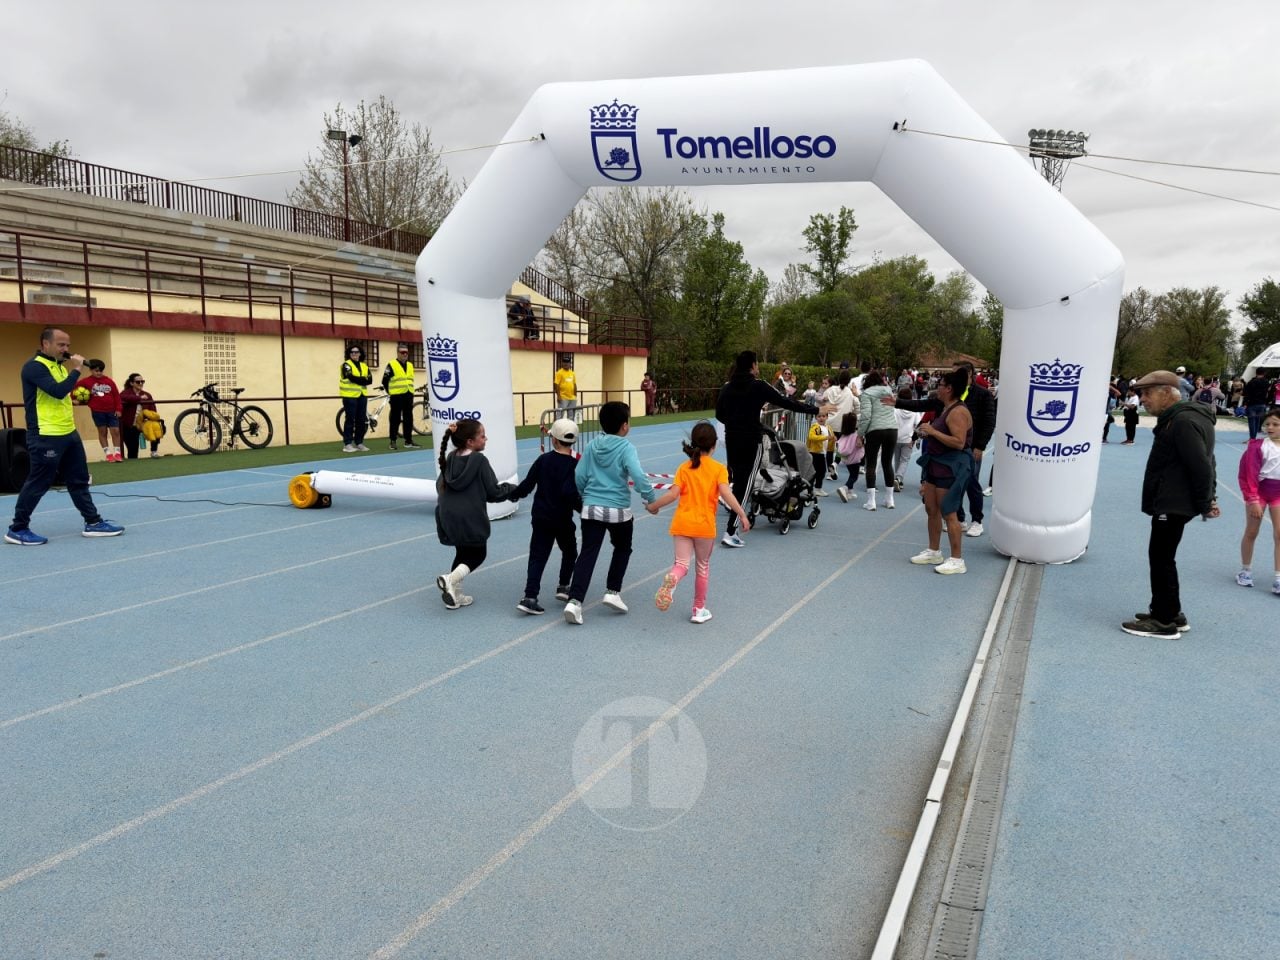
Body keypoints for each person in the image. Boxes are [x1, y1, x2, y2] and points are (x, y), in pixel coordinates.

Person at [1121, 370, 1219, 639]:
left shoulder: (1182, 422)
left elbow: (1201, 465)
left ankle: (1163, 621)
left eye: (1147, 393)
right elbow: (1209, 460)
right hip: (1174, 499)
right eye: (1141, 394)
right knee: (1164, 558)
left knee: (1161, 558)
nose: (1142, 399)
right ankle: (1171, 611)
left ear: (1167, 393)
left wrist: (1205, 501)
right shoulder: (1182, 418)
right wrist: (1208, 498)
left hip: (1174, 501)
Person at [5, 327, 124, 545]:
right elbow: (57, 391)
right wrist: (77, 370)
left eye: (68, 345)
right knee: (39, 482)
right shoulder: (34, 367)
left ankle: (93, 522)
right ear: (45, 344)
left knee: (78, 480)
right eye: (61, 345)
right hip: (45, 434)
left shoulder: (60, 367)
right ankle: (18, 528)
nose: (66, 349)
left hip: (68, 432)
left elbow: (63, 396)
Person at [715, 351, 833, 548]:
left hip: (732, 439)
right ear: (753, 365)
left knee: (737, 479)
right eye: (757, 364)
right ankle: (730, 530)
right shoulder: (758, 385)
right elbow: (787, 402)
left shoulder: (727, 387)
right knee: (746, 483)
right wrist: (815, 410)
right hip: (752, 440)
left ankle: (733, 519)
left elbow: (719, 414)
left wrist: (736, 424)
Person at [562, 401, 657, 624]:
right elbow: (638, 476)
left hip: (592, 509)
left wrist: (586, 495)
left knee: (588, 552)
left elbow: (579, 475)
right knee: (622, 548)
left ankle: (574, 602)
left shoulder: (592, 445)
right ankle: (613, 592)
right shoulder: (626, 448)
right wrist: (651, 498)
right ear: (624, 426)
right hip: (618, 510)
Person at [647, 421, 750, 624]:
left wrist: (654, 506)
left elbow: (672, 495)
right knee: (702, 567)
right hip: (704, 526)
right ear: (714, 445)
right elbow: (727, 494)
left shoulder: (684, 468)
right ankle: (698, 609)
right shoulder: (718, 469)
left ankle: (673, 578)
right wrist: (742, 514)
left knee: (681, 564)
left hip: (683, 523)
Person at [883, 360, 995, 537]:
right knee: (943, 495)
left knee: (970, 483)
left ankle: (977, 520)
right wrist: (897, 402)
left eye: (956, 374)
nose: (950, 379)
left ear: (968, 376)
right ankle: (958, 519)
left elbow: (988, 422)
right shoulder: (943, 399)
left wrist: (980, 445)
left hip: (967, 448)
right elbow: (922, 404)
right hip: (944, 453)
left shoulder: (980, 396)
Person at [433, 420, 516, 610]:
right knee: (478, 553)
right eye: (482, 436)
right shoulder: (479, 461)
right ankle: (450, 579)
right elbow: (493, 493)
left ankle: (456, 595)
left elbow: (439, 486)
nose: (486, 439)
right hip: (469, 515)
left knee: (462, 552)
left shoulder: (450, 457)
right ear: (470, 441)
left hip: (447, 514)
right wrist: (512, 490)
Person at [508, 417, 581, 615]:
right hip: (563, 519)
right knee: (570, 551)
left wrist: (512, 495)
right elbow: (572, 493)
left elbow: (527, 485)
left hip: (541, 517)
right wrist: (583, 509)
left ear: (554, 440)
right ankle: (564, 586)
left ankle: (530, 596)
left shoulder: (543, 460)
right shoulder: (575, 465)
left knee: (538, 557)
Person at [909, 368, 974, 575]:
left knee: (949, 512)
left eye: (940, 385)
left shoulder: (959, 412)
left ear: (949, 389)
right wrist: (926, 432)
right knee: (931, 508)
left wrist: (933, 431)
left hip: (951, 466)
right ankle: (934, 551)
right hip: (935, 464)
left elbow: (959, 442)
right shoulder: (945, 408)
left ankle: (957, 559)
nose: (937, 388)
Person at [1234, 406, 1280, 594]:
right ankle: (1245, 570)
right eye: (1267, 424)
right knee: (1252, 531)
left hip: (1278, 494)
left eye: (1275, 424)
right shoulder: (1257, 446)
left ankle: (1278, 577)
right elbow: (1248, 474)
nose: (1270, 427)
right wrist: (1252, 499)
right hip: (1259, 492)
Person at [856, 370, 899, 510]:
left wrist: (860, 434)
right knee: (887, 463)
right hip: (892, 428)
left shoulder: (867, 394)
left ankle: (871, 501)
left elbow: (866, 416)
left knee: (871, 464)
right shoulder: (888, 390)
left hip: (875, 430)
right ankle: (890, 499)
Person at [78, 359, 124, 462]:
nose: (98, 373)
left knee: (115, 431)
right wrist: (75, 399)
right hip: (97, 411)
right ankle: (108, 454)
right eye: (96, 371)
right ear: (91, 370)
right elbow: (75, 388)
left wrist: (118, 409)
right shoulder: (86, 381)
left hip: (112, 411)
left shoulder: (109, 381)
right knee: (102, 431)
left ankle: (117, 453)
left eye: (100, 371)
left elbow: (116, 396)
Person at [381, 344, 421, 451]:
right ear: (398, 353)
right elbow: (384, 381)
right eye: (402, 352)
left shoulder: (410, 365)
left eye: (406, 352)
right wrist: (390, 393)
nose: (405, 354)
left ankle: (408, 441)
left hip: (408, 395)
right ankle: (393, 441)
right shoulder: (391, 364)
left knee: (408, 418)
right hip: (396, 396)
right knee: (395, 418)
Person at [340, 345, 373, 453]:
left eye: (356, 352)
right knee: (350, 419)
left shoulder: (364, 366)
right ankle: (347, 444)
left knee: (361, 420)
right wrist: (362, 379)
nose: (354, 354)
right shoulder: (346, 365)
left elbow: (370, 380)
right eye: (352, 352)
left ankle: (359, 443)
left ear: (360, 353)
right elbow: (351, 377)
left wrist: (360, 379)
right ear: (349, 354)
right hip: (349, 396)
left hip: (362, 395)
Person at [120, 373, 161, 459]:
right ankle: (132, 465)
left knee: (156, 426)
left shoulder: (147, 394)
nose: (141, 383)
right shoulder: (125, 393)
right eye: (138, 382)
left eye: (142, 381)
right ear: (132, 383)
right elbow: (123, 397)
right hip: (129, 425)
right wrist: (139, 398)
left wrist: (149, 417)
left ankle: (154, 451)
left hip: (142, 423)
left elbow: (153, 409)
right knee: (132, 450)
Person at [892, 386, 922, 491]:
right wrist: (916, 439)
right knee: (904, 460)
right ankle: (898, 478)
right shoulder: (914, 410)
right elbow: (918, 424)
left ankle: (898, 479)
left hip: (896, 437)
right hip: (908, 439)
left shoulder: (896, 409)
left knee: (897, 459)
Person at [805, 410, 835, 496]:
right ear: (816, 418)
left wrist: (833, 441)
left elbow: (831, 437)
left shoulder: (828, 427)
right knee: (814, 472)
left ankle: (818, 488)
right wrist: (826, 437)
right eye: (819, 416)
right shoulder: (815, 427)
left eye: (823, 416)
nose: (821, 418)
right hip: (814, 452)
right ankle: (809, 489)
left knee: (821, 471)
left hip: (822, 452)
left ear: (827, 417)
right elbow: (812, 437)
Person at [1242, 370, 1271, 440]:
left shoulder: (1252, 382)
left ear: (1256, 373)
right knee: (1257, 420)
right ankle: (1254, 437)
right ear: (1264, 373)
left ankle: (1252, 438)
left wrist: (1245, 403)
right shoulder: (1266, 382)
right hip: (1262, 403)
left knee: (1252, 421)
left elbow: (1246, 393)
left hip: (1252, 403)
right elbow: (1268, 393)